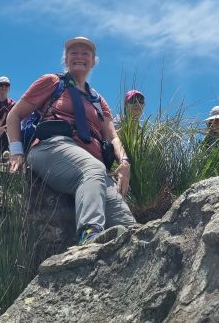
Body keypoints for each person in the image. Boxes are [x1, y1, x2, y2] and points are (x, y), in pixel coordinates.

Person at [7, 37, 136, 245]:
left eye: (85, 53)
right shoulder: (52, 82)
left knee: (127, 224)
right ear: (65, 59)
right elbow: (14, 115)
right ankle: (90, 236)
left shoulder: (98, 100)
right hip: (52, 146)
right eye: (73, 52)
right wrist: (16, 152)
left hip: (94, 167)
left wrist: (124, 162)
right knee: (93, 169)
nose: (79, 57)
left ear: (93, 61)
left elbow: (112, 136)